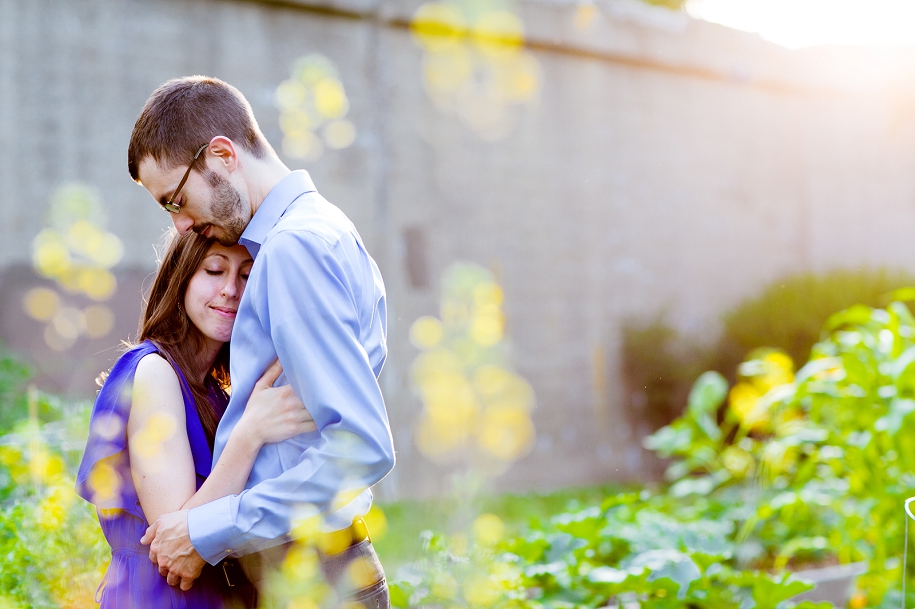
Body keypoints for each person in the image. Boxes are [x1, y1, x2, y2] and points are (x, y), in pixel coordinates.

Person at [128, 76, 395, 607]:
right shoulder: (321, 229)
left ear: (223, 155)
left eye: (176, 201)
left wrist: (208, 529)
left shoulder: (293, 249)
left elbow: (361, 446)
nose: (180, 227)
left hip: (315, 576)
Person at [76, 230, 315, 608]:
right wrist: (249, 433)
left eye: (247, 276)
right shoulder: (154, 373)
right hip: (163, 596)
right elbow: (176, 540)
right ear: (180, 278)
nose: (231, 290)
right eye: (215, 270)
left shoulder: (218, 393)